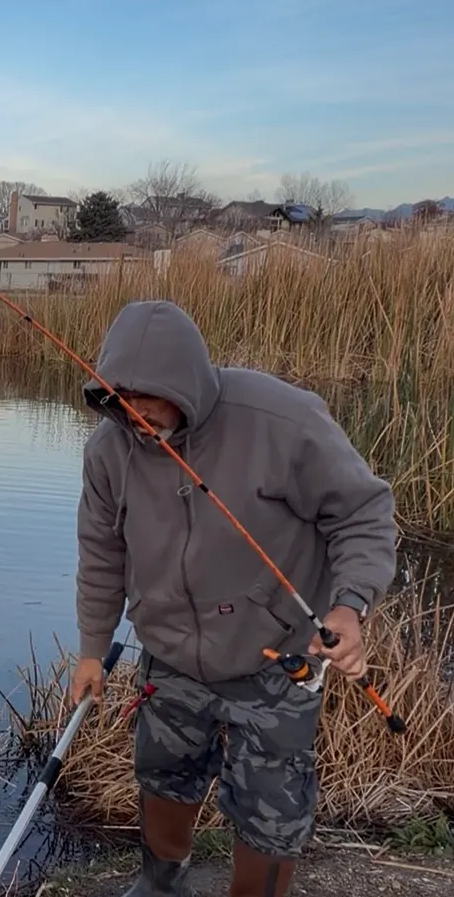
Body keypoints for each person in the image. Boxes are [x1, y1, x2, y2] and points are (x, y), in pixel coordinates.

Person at [69, 300, 397, 897]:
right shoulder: (108, 451)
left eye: (149, 397)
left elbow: (363, 513)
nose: (134, 412)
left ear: (187, 384)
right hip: (170, 657)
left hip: (276, 660)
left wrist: (350, 606)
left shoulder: (283, 421)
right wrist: (93, 649)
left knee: (273, 808)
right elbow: (100, 553)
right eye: (120, 397)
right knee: (164, 776)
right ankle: (160, 884)